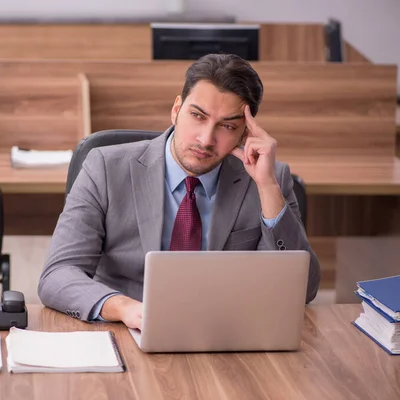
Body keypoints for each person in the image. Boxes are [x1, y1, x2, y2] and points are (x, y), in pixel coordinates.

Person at [38, 53, 321, 330]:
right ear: (176, 109)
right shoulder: (105, 167)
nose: (206, 139)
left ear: (244, 134)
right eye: (198, 116)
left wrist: (267, 187)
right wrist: (124, 308)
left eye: (227, 126)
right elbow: (58, 275)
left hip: (224, 333)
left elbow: (302, 290)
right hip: (127, 330)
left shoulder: (270, 179)